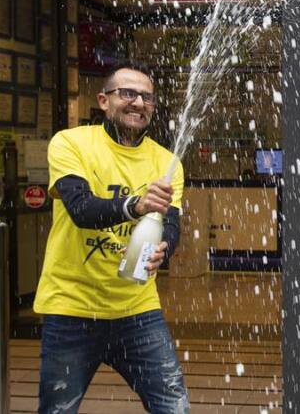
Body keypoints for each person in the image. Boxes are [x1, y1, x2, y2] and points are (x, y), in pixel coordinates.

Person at [33, 60, 190, 414]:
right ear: (104, 100)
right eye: (128, 93)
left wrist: (165, 249)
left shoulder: (168, 162)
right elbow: (80, 208)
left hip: (137, 312)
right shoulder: (70, 143)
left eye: (147, 97)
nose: (138, 102)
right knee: (57, 409)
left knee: (174, 407)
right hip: (71, 309)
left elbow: (171, 223)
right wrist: (134, 205)